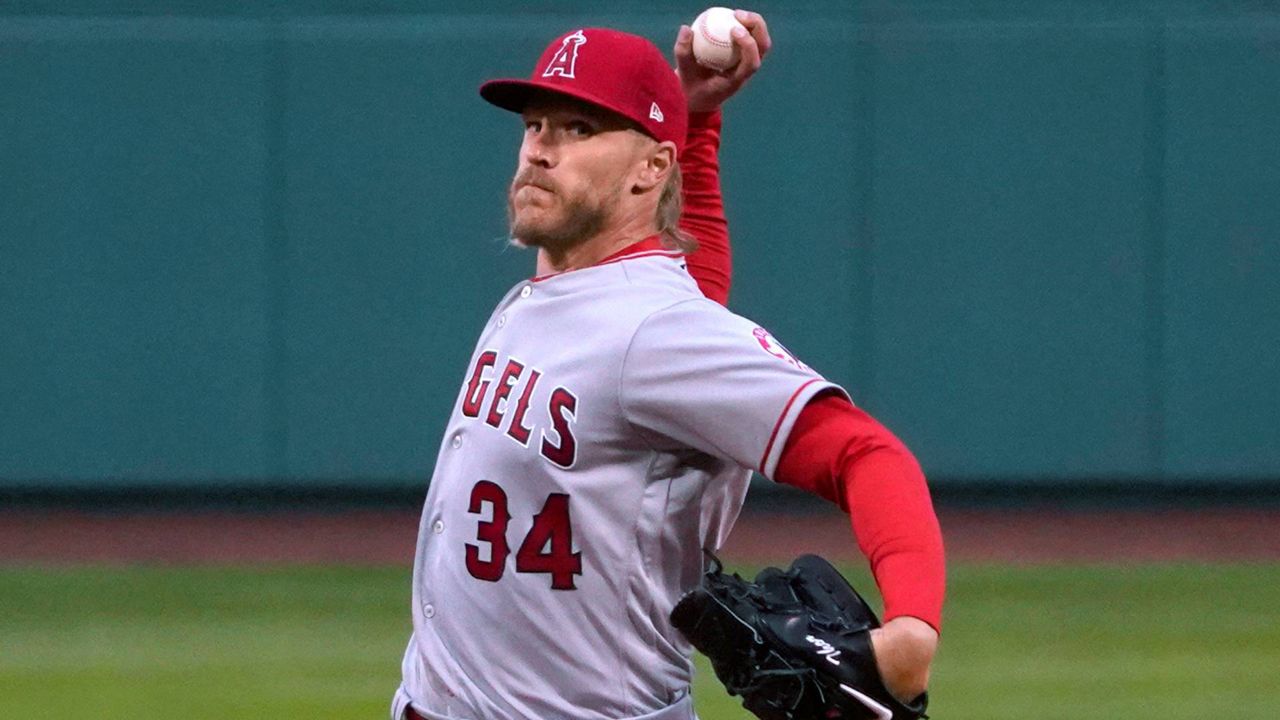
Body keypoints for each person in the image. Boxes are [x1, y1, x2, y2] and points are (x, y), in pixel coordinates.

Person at [393, 14, 945, 720]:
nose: (539, 150)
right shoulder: (582, 297)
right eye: (536, 124)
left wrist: (911, 629)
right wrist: (700, 118)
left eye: (578, 129)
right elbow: (690, 279)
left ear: (653, 167)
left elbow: (868, 454)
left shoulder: (656, 334)